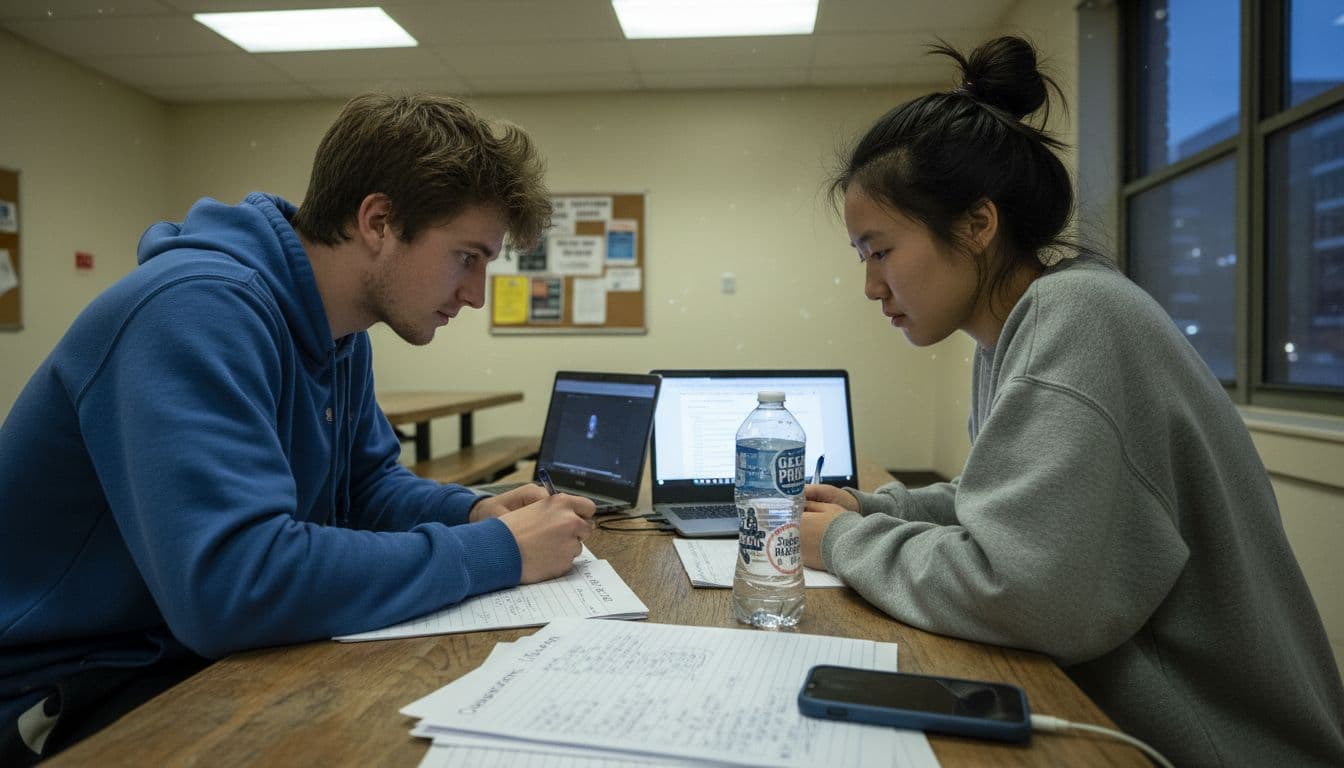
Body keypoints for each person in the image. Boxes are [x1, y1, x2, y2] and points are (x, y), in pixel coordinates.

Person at [0, 93, 596, 763]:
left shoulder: (339, 332)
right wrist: (497, 551)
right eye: (466, 257)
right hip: (63, 688)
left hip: (175, 652)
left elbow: (365, 489)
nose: (475, 293)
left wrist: (476, 511)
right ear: (378, 221)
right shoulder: (193, 310)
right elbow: (234, 585)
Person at [801, 36, 1344, 767]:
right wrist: (877, 508)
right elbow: (1003, 501)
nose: (872, 287)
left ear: (977, 225)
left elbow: (1024, 593)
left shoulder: (1078, 318)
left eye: (880, 250)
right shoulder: (1019, 327)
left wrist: (842, 542)